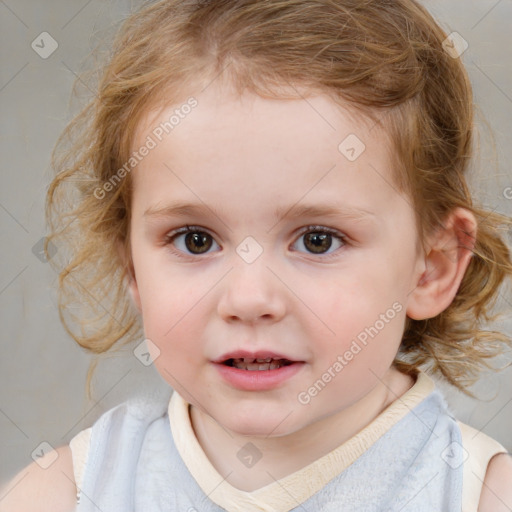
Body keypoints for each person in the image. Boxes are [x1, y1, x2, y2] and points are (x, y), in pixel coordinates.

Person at [1, 0, 511, 510]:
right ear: (132, 266)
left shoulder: (479, 495)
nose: (249, 299)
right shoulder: (66, 494)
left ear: (433, 267)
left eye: (317, 240)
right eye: (195, 240)